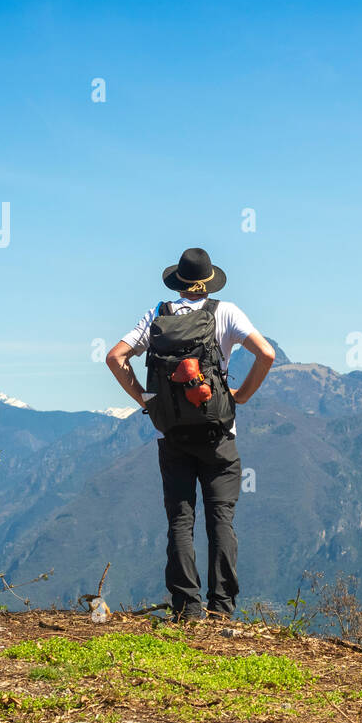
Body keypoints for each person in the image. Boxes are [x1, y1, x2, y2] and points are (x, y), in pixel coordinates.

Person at [105, 248, 276, 621]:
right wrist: (240, 396)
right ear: (209, 280)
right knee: (221, 519)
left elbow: (114, 357)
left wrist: (145, 399)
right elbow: (266, 354)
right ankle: (221, 609)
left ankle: (186, 608)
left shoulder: (158, 314)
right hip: (219, 434)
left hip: (173, 435)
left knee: (181, 520)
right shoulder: (226, 312)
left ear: (179, 283)